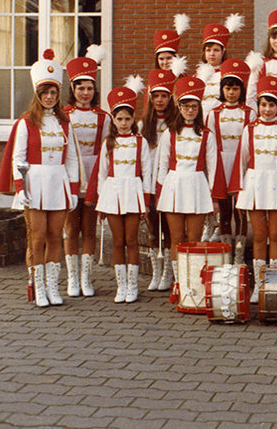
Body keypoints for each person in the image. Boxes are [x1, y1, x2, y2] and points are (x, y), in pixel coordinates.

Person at [0, 49, 80, 307]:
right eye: (45, 92)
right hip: (34, 183)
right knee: (37, 236)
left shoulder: (65, 122)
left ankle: (54, 288)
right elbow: (17, 158)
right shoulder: (25, 122)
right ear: (37, 94)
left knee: (56, 236)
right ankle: (38, 288)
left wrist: (74, 190)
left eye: (53, 92)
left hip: (58, 183)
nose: (49, 97)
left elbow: (71, 159)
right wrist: (20, 187)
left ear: (58, 94)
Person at [230, 76, 277, 303]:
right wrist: (240, 189)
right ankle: (259, 285)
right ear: (258, 105)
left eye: (271, 105)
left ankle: (275, 284)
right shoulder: (249, 129)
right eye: (263, 104)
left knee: (275, 235)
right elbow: (242, 161)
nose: (267, 109)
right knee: (259, 236)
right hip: (255, 185)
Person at [155, 74, 225, 303]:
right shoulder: (169, 133)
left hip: (196, 186)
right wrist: (162, 192)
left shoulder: (207, 135)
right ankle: (179, 283)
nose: (189, 110)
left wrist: (213, 196)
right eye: (185, 106)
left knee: (193, 239)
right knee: (176, 238)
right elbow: (162, 165)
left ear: (199, 108)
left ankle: (193, 284)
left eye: (194, 106)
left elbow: (213, 167)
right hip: (174, 186)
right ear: (179, 107)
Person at [93, 78, 153, 303]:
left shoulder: (140, 142)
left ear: (133, 120)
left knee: (132, 240)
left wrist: (145, 202)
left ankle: (133, 286)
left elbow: (147, 173)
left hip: (133, 193)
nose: (124, 122)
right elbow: (101, 174)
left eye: (128, 118)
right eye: (119, 119)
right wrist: (101, 203)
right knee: (117, 241)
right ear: (114, 120)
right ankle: (122, 286)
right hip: (112, 194)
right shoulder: (108, 142)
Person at [62, 46, 110, 298]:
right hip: (71, 175)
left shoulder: (104, 117)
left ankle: (86, 278)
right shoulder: (63, 116)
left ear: (95, 90)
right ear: (73, 90)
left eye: (89, 88)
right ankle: (71, 278)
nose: (85, 93)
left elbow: (107, 151)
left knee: (89, 228)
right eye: (80, 88)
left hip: (93, 176)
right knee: (71, 227)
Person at [205, 59, 256, 251]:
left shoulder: (249, 113)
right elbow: (209, 143)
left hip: (242, 164)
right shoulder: (213, 114)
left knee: (240, 209)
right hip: (221, 163)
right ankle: (226, 247)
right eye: (227, 88)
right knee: (225, 209)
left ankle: (240, 252)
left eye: (235, 88)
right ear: (222, 90)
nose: (231, 92)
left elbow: (251, 143)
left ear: (241, 90)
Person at [140, 66, 178, 291]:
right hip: (150, 183)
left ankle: (169, 274)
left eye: (164, 96)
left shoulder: (176, 124)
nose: (160, 100)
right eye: (156, 96)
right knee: (153, 230)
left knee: (170, 230)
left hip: (170, 182)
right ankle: (156, 272)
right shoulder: (144, 125)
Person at [197, 13, 244, 117]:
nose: (212, 54)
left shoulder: (229, 74)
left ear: (223, 52)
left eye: (216, 50)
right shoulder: (197, 75)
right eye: (208, 50)